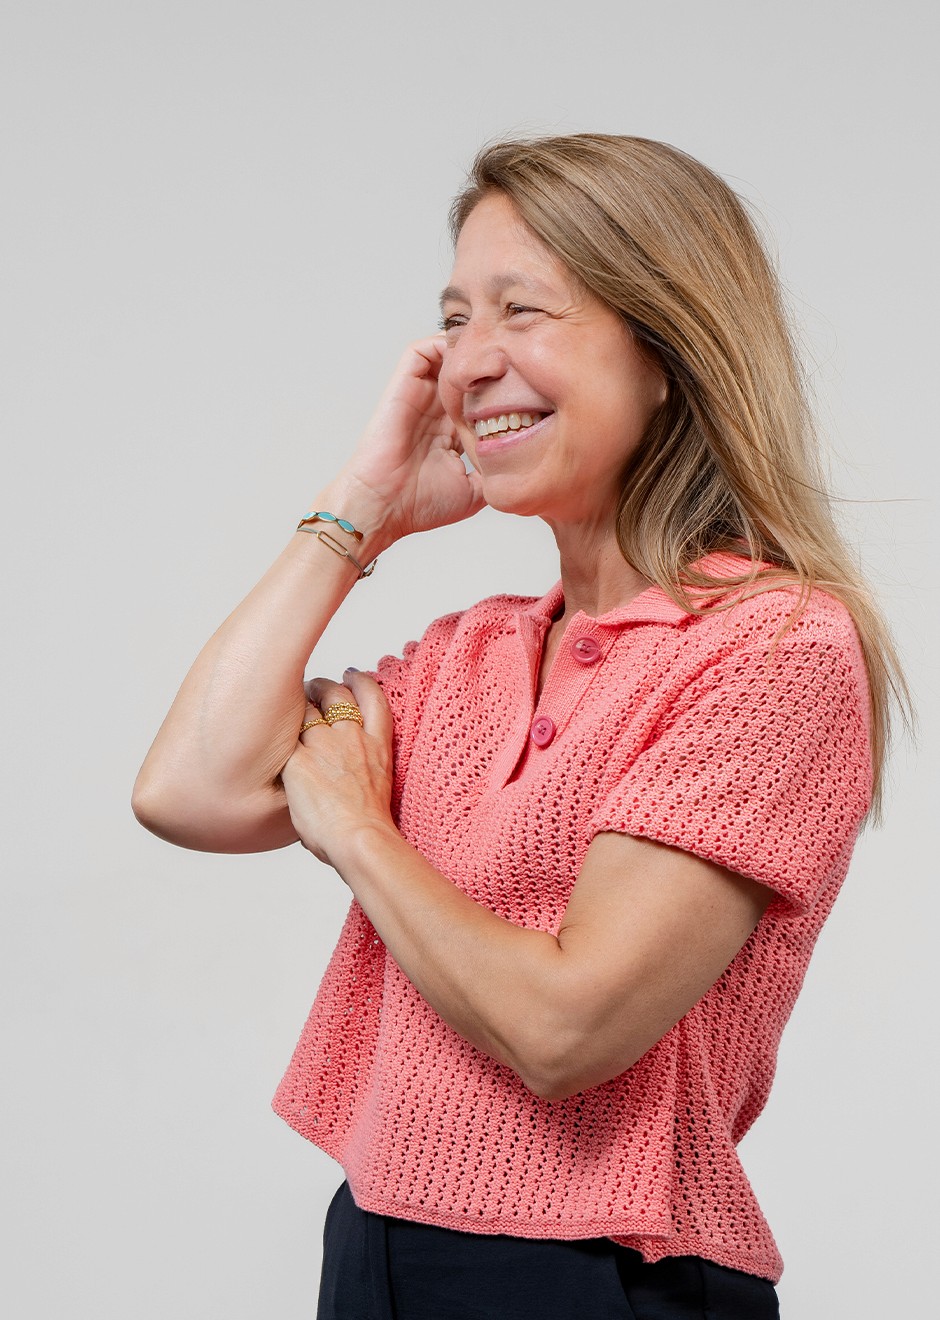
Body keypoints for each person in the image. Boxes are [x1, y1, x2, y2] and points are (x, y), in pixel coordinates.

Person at [133, 134, 907, 1319]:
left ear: (667, 351)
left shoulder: (770, 648)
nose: (466, 360)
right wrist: (360, 510)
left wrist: (358, 832)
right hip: (378, 1244)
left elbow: (565, 1027)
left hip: (598, 1274)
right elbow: (189, 788)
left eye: (521, 309)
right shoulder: (473, 654)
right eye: (454, 318)